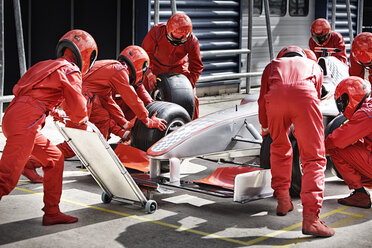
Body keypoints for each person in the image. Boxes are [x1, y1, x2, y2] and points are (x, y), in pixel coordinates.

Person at [0, 29, 98, 225]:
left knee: (54, 157)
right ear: (87, 54)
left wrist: (53, 111)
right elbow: (78, 108)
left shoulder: (47, 65)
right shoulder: (71, 70)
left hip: (14, 116)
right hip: (26, 123)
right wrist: (81, 123)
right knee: (5, 180)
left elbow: (33, 94)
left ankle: (52, 212)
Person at [258, 46, 335, 237]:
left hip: (275, 102)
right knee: (314, 159)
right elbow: (316, 96)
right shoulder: (313, 65)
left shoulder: (272, 66)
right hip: (305, 99)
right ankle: (311, 220)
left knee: (279, 148)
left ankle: (283, 201)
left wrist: (265, 126)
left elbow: (261, 100)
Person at [54, 45, 167, 160]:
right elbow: (132, 98)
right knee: (73, 146)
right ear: (140, 67)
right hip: (78, 101)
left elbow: (108, 101)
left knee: (102, 117)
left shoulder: (112, 69)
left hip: (77, 98)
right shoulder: (119, 71)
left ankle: (97, 154)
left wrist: (125, 124)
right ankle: (39, 159)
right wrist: (147, 121)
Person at [141, 12, 204, 119]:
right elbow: (145, 55)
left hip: (179, 69)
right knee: (141, 92)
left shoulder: (192, 41)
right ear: (168, 30)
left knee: (192, 98)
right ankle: (138, 124)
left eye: (181, 37)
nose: (177, 39)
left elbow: (197, 66)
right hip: (155, 66)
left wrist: (190, 83)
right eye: (175, 36)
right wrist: (149, 74)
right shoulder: (156, 32)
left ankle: (192, 126)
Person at [325, 76, 372, 209]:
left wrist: (314, 151)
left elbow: (336, 140)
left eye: (343, 101)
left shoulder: (365, 114)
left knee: (336, 147)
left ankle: (360, 195)